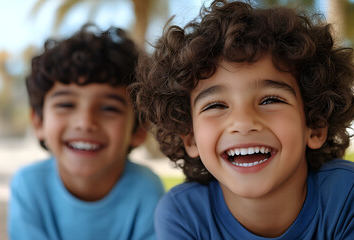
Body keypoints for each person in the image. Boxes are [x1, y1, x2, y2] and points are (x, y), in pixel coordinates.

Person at [131, 0, 354, 239]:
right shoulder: (183, 215)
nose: (243, 122)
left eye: (270, 100)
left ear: (315, 125)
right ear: (191, 138)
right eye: (215, 105)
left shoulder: (345, 196)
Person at [8, 24, 165, 240]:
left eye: (109, 108)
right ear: (38, 123)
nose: (85, 122)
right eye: (66, 105)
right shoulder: (29, 186)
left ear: (138, 130)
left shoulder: (146, 189)